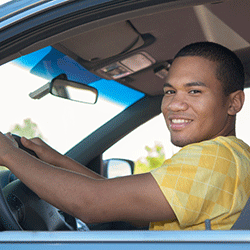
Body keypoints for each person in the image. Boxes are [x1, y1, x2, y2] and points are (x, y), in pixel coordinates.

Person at [0, 41, 249, 230]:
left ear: (234, 102)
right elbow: (117, 199)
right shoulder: (234, 157)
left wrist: (8, 153)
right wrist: (56, 159)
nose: (174, 105)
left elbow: (91, 204)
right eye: (170, 91)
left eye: (194, 91)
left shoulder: (213, 158)